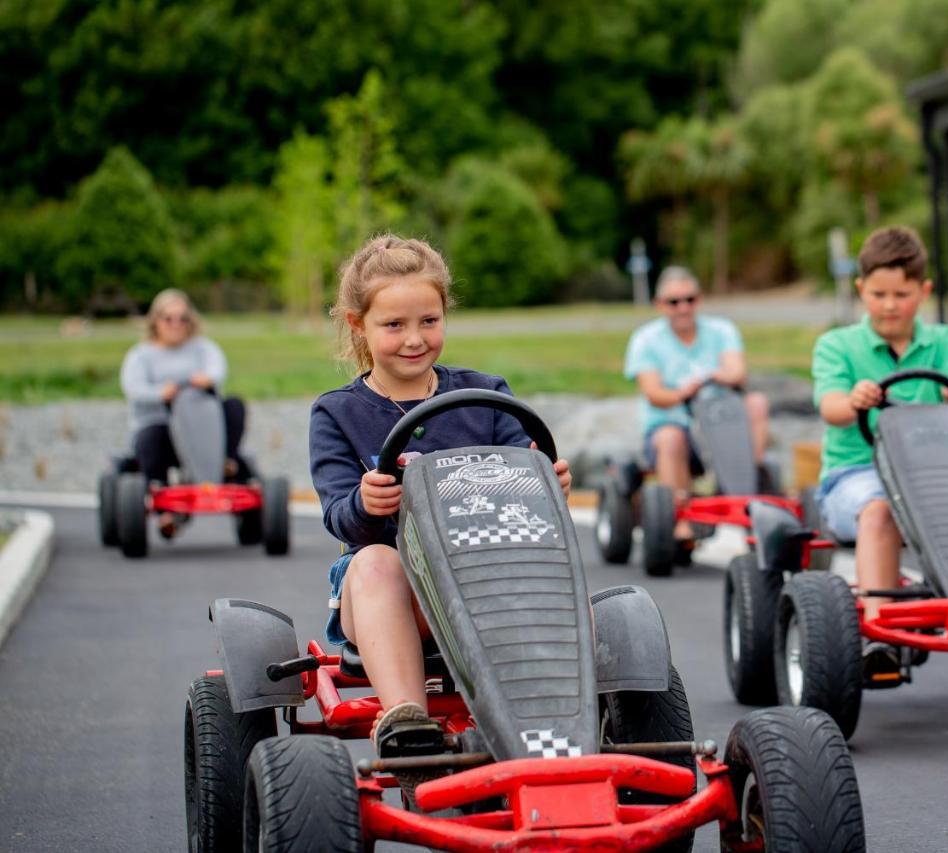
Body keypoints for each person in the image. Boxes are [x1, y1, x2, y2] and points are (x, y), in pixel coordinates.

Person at [309, 235, 572, 772]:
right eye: (394, 325)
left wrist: (545, 482)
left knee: (588, 601)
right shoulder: (337, 413)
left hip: (488, 584)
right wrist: (367, 503)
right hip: (393, 593)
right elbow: (339, 514)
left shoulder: (486, 395)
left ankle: (573, 723)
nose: (414, 339)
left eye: (429, 321)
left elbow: (520, 472)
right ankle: (407, 719)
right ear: (358, 325)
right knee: (375, 561)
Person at [811, 226, 948, 678]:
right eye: (878, 294)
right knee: (879, 510)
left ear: (922, 291)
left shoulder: (944, 342)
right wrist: (853, 401)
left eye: (901, 294)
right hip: (856, 475)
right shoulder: (838, 346)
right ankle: (879, 634)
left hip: (931, 477)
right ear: (861, 290)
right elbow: (830, 407)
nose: (889, 305)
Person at [623, 266, 769, 546]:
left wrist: (715, 377)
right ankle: (680, 520)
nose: (683, 308)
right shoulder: (645, 340)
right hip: (674, 425)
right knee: (670, 437)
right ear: (660, 305)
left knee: (757, 402)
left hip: (721, 420)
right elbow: (654, 393)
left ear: (698, 300)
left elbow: (737, 373)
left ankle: (749, 489)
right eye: (674, 302)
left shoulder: (721, 330)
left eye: (689, 300)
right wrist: (682, 392)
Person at [119, 288, 246, 538]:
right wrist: (160, 393)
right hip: (162, 427)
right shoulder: (141, 356)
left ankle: (224, 462)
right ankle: (165, 506)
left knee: (234, 406)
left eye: (182, 319)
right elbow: (133, 388)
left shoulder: (203, 348)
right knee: (149, 438)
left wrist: (205, 380)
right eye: (169, 319)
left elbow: (217, 370)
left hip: (202, 427)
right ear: (156, 321)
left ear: (191, 321)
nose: (176, 324)